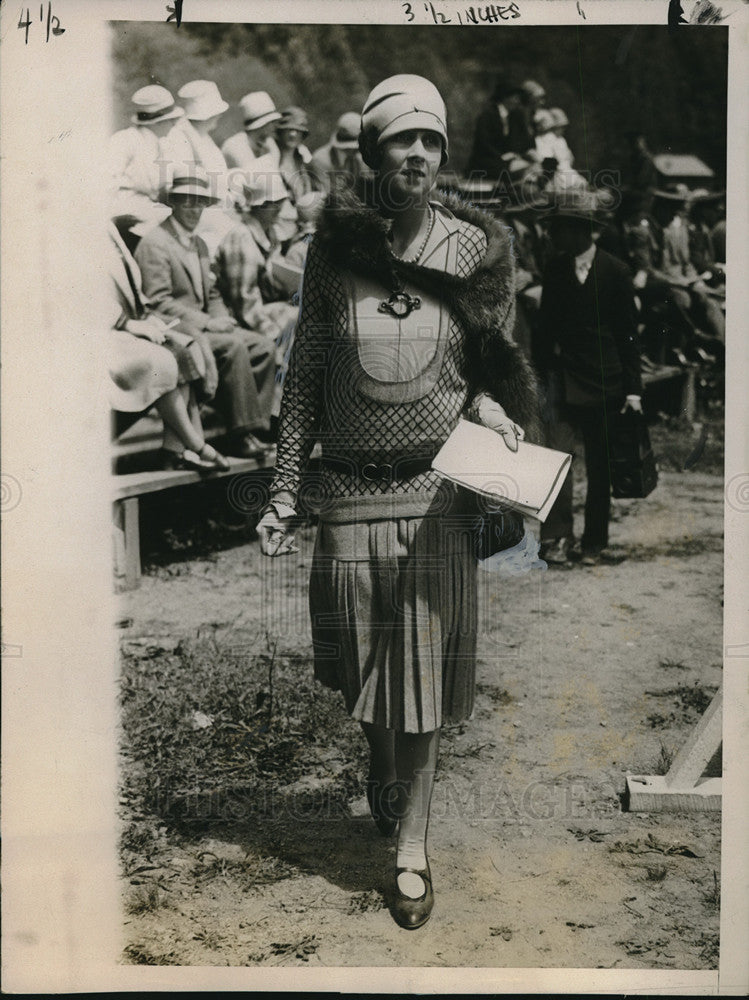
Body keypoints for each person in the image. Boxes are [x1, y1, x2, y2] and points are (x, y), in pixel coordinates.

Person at [256, 75, 539, 930]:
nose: (414, 153)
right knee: (362, 678)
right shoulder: (334, 251)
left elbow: (491, 366)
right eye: (397, 140)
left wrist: (492, 407)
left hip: (436, 497)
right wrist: (281, 488)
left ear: (444, 152)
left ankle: (411, 851)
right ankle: (384, 778)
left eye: (429, 139)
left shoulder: (477, 250)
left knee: (417, 682)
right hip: (344, 492)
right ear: (374, 152)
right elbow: (306, 372)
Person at [533, 189, 643, 566]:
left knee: (601, 466)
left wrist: (633, 390)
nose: (551, 236)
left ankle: (595, 542)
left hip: (605, 382)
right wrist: (538, 377)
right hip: (563, 381)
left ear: (579, 231)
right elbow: (544, 331)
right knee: (556, 459)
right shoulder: (555, 270)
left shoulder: (616, 271)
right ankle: (556, 538)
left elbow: (628, 335)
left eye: (557, 229)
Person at [135, 167, 275, 458]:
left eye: (200, 203)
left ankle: (254, 428)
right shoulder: (155, 242)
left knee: (262, 346)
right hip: (175, 329)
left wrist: (220, 318)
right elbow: (158, 302)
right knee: (235, 346)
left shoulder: (198, 243)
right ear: (173, 202)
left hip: (203, 326)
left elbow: (211, 293)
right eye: (187, 201)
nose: (194, 209)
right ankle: (241, 435)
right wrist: (209, 322)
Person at [107, 222, 229, 472]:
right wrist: (126, 323)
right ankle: (197, 446)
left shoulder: (107, 229)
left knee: (184, 349)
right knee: (163, 361)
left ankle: (173, 450)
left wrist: (142, 315)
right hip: (96, 334)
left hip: (126, 323)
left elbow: (131, 284)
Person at [162, 79, 240, 257]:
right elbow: (183, 185)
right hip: (196, 210)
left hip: (215, 207)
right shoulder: (179, 138)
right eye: (216, 112)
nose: (219, 116)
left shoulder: (204, 138)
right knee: (236, 235)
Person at [108, 85, 183, 232]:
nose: (174, 124)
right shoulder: (125, 140)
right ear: (158, 121)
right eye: (171, 119)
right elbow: (107, 183)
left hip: (150, 210)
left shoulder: (162, 145)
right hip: (125, 211)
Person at [466, 77, 532, 178]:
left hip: (504, 161)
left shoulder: (513, 117)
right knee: (515, 171)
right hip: (485, 162)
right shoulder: (488, 115)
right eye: (515, 98)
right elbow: (483, 143)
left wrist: (514, 154)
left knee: (527, 167)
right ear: (505, 98)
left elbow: (518, 141)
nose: (517, 102)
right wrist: (501, 156)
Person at [310, 112, 372, 194]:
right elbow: (326, 195)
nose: (353, 151)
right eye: (348, 148)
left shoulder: (362, 158)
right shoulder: (321, 159)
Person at [221, 91, 281, 174]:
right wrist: (274, 154)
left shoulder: (265, 143)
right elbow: (256, 179)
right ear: (262, 125)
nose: (275, 126)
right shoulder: (235, 145)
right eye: (271, 122)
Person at [276, 106, 326, 205]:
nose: (293, 134)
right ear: (281, 132)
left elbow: (320, 190)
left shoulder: (304, 160)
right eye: (288, 129)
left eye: (297, 130)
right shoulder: (273, 158)